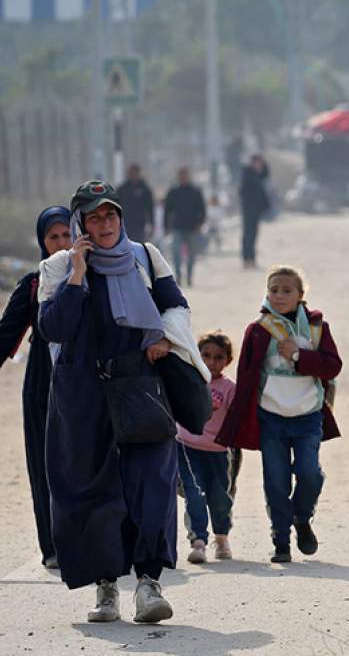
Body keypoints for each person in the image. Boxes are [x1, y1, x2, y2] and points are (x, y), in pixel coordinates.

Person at [39, 181, 206, 623]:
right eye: (94, 217)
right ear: (80, 224)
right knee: (92, 490)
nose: (105, 223)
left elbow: (177, 305)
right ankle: (107, 587)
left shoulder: (145, 256)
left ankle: (148, 584)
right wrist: (77, 274)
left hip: (140, 385)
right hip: (83, 394)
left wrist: (164, 338)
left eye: (111, 215)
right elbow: (53, 328)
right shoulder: (57, 267)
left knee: (151, 480)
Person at [216, 266, 342, 564]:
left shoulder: (316, 327)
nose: (280, 295)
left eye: (287, 290)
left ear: (301, 295)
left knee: (310, 473)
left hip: (308, 415)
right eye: (274, 289)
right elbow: (246, 377)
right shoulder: (258, 330)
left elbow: (332, 366)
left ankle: (302, 517)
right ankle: (281, 539)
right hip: (270, 416)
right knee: (276, 480)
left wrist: (298, 356)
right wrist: (236, 421)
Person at [0, 206, 71, 570]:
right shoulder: (33, 284)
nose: (61, 244)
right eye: (53, 237)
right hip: (43, 388)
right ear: (42, 241)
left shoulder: (94, 277)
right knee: (44, 467)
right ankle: (53, 546)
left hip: (85, 387)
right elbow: (5, 336)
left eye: (66, 236)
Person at [177, 331, 238, 565]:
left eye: (218, 357)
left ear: (227, 361)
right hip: (186, 447)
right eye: (206, 355)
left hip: (219, 453)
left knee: (220, 497)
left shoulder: (229, 388)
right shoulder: (189, 381)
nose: (211, 362)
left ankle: (221, 537)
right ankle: (198, 542)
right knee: (194, 493)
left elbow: (236, 419)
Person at [164, 167, 207, 287]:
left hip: (193, 228)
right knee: (176, 254)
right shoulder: (173, 191)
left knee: (192, 255)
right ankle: (178, 276)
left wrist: (201, 223)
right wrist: (166, 226)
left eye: (185, 175)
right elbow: (167, 210)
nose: (183, 178)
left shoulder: (195, 191)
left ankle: (189, 276)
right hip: (177, 227)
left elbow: (202, 209)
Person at [240, 154, 272, 270]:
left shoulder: (256, 174)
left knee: (253, 235)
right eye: (258, 163)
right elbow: (244, 192)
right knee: (248, 235)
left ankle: (251, 259)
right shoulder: (248, 174)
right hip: (249, 210)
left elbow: (266, 174)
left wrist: (264, 163)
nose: (260, 165)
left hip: (255, 210)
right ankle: (247, 259)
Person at [117, 164, 155, 242]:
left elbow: (150, 207)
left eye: (135, 173)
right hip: (125, 223)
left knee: (139, 246)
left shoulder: (145, 189)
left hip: (140, 224)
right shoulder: (122, 189)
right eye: (131, 173)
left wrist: (152, 223)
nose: (133, 175)